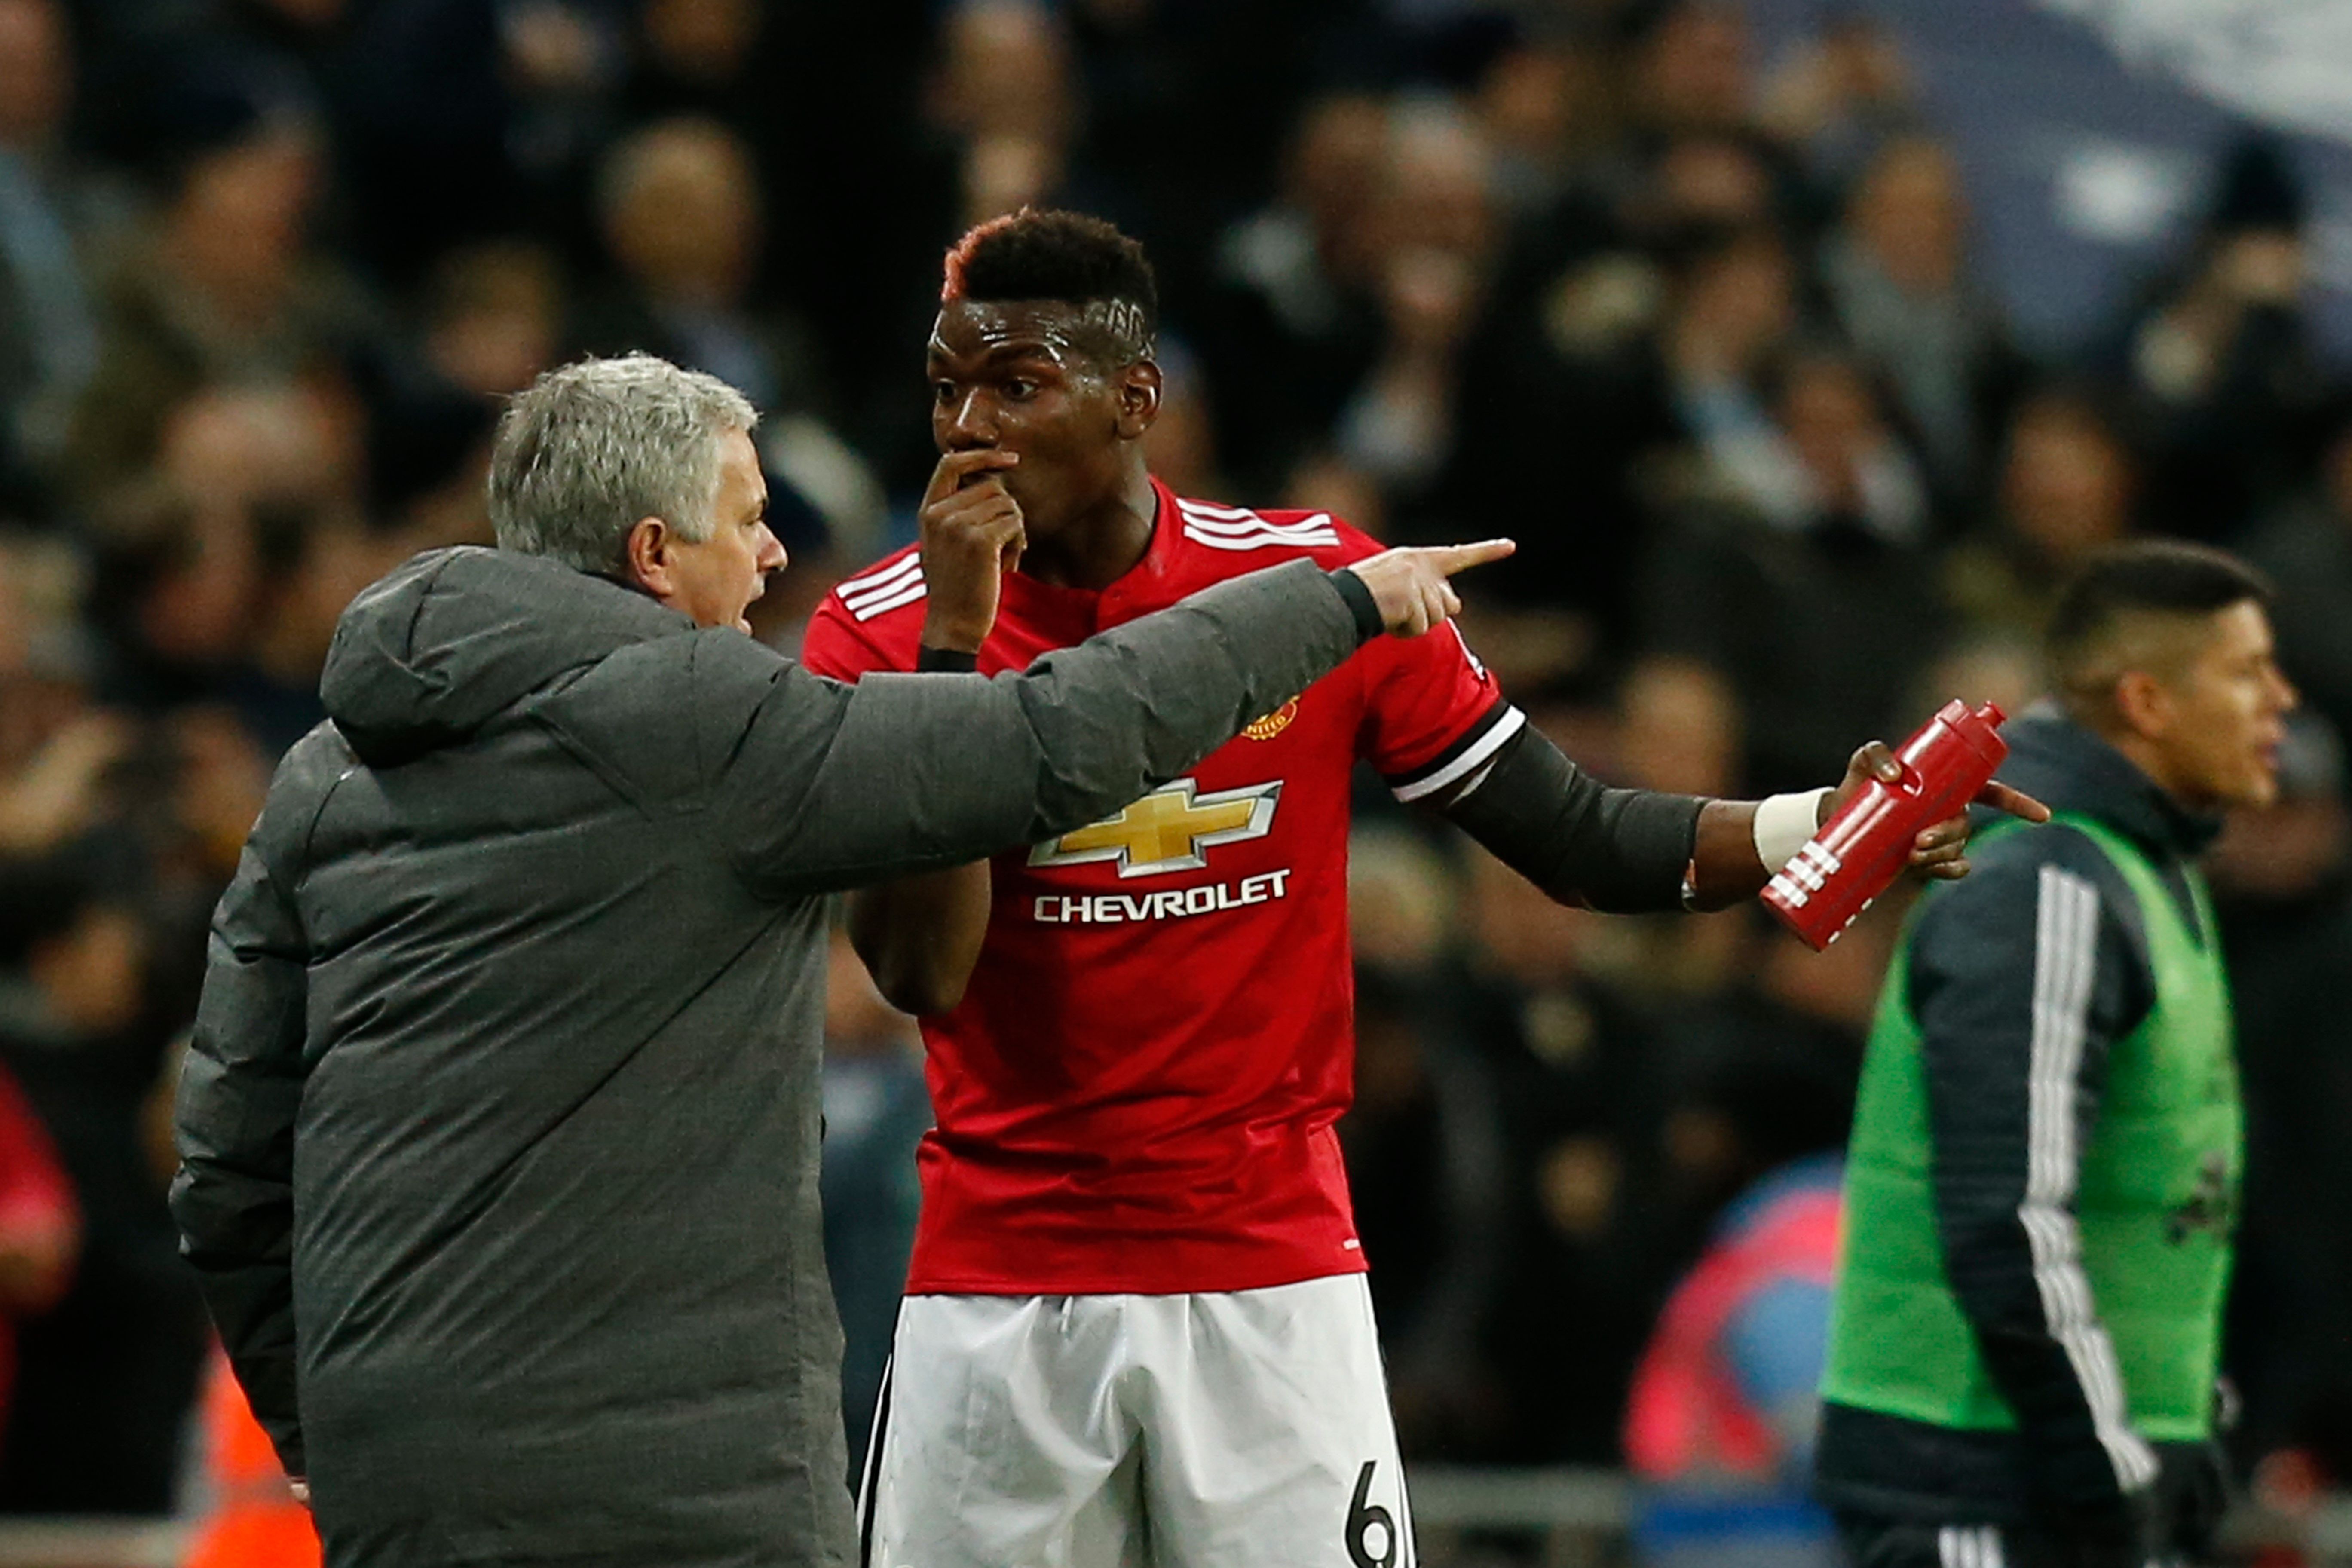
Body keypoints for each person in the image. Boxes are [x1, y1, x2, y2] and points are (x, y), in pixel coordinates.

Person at [800, 208, 2041, 1568]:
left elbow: (1578, 838)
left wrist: (1826, 814)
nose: (969, 426)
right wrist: (955, 654)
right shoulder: (878, 627)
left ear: (1136, 399)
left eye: (1017, 386)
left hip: (1270, 1281)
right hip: (998, 1284)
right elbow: (923, 973)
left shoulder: (1321, 587)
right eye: (946, 388)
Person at [168, 350, 1507, 1568]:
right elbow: (1041, 746)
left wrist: (320, 1420)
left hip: (399, 1467)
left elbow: (228, 1157)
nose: (767, 559)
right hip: (687, 1484)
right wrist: (1328, 608)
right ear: (652, 553)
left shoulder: (323, 777)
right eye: (747, 520)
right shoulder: (708, 721)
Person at [1818, 541, 2294, 1568]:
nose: (2282, 703)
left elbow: (2148, 1190)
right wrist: (2112, 1462)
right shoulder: (2046, 888)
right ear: (2149, 702)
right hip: (1986, 1479)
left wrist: (2182, 1416)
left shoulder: (2140, 870)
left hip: (2067, 1475)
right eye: (2247, 672)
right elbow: (2008, 1217)